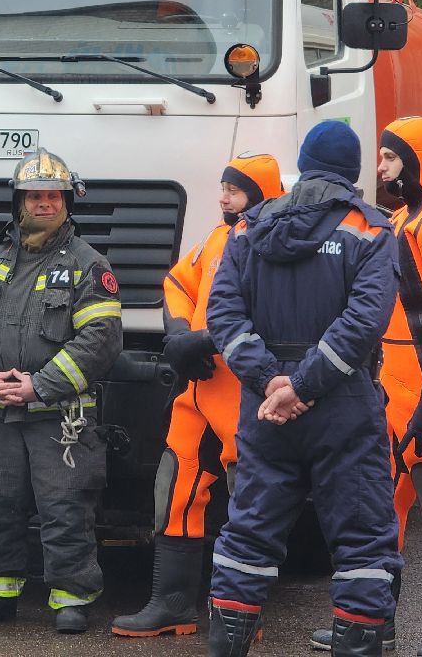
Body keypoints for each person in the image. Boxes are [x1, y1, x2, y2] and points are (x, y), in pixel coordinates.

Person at [205, 120, 402, 657]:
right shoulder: (369, 230)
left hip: (266, 413)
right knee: (362, 542)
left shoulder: (248, 229)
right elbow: (365, 322)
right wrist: (305, 384)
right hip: (342, 406)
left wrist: (271, 381)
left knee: (247, 535)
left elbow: (223, 314)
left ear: (304, 164)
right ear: (351, 170)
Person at [310, 116, 422, 657]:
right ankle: (374, 622)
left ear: (415, 158)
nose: (382, 166)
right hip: (388, 387)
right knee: (378, 504)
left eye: (391, 157)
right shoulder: (399, 219)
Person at [111, 153, 284, 639]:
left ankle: (242, 613)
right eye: (223, 186)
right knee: (176, 490)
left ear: (261, 192)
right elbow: (177, 283)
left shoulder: (275, 243)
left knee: (250, 503)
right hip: (198, 390)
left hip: (243, 393)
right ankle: (173, 604)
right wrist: (179, 335)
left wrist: (202, 342)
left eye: (234, 188)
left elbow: (271, 316)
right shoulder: (216, 238)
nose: (223, 196)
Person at [0, 148, 124, 634]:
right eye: (34, 196)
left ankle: (71, 597)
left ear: (67, 202)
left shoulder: (89, 265)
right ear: (19, 202)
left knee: (65, 507)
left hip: (59, 416)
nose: (43, 204)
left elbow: (101, 341)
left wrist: (39, 387)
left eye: (53, 196)